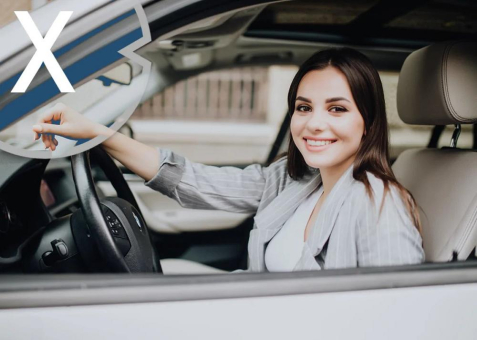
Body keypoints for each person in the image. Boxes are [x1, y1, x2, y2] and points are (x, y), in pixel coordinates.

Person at [32, 48, 425, 272]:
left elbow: (398, 313)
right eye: (303, 107)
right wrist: (99, 134)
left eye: (337, 109)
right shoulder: (296, 180)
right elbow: (198, 182)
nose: (314, 124)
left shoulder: (379, 203)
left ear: (368, 121)